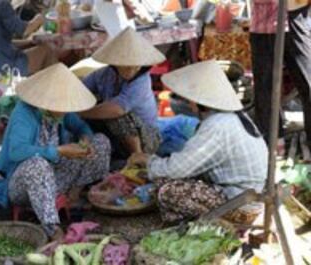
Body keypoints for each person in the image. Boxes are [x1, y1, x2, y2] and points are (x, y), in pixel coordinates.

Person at [129, 60, 268, 224]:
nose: (189, 101)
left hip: (241, 205)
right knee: (162, 180)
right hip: (246, 195)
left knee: (168, 191)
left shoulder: (218, 124)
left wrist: (148, 161)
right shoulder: (233, 117)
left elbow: (177, 169)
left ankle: (215, 223)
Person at [0, 63, 111, 239]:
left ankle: (75, 194)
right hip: (23, 184)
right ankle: (53, 229)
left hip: (55, 176)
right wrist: (58, 151)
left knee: (101, 142)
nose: (66, 110)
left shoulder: (61, 112)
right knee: (38, 165)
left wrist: (85, 141)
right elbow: (17, 151)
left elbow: (82, 127)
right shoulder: (24, 112)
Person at [80, 27, 166, 159]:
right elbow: (81, 89)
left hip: (147, 138)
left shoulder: (142, 82)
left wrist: (81, 112)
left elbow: (117, 109)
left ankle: (137, 157)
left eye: (136, 65)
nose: (131, 69)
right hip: (118, 135)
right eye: (126, 65)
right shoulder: (104, 74)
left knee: (116, 116)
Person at [250, 0, 311, 149]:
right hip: (263, 19)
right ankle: (273, 140)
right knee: (265, 87)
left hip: (293, 14)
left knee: (308, 81)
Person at [0, 0, 57, 81]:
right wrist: (39, 18)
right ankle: (51, 89)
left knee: (35, 50)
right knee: (48, 49)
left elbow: (3, 43)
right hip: (2, 69)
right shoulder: (3, 4)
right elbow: (25, 31)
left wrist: (29, 42)